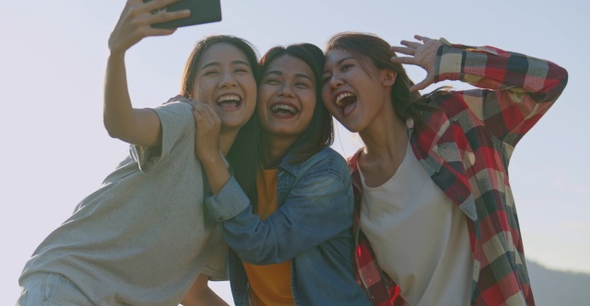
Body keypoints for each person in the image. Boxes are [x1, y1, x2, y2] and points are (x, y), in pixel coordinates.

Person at [16, 0, 259, 306]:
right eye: (212, 72)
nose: (227, 79)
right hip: (73, 284)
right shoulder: (186, 118)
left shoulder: (229, 188)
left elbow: (193, 291)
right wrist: (117, 51)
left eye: (240, 70)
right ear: (191, 92)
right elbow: (122, 124)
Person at [321, 32, 568, 305]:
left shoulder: (454, 119)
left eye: (346, 67)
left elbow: (549, 81)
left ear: (387, 76)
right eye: (325, 78)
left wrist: (454, 60)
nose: (334, 81)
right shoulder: (348, 186)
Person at [190, 43, 371, 305]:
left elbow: (261, 246)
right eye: (273, 81)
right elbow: (189, 287)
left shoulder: (327, 173)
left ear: (319, 102)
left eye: (301, 84)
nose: (285, 92)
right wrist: (185, 111)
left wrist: (211, 156)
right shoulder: (235, 170)